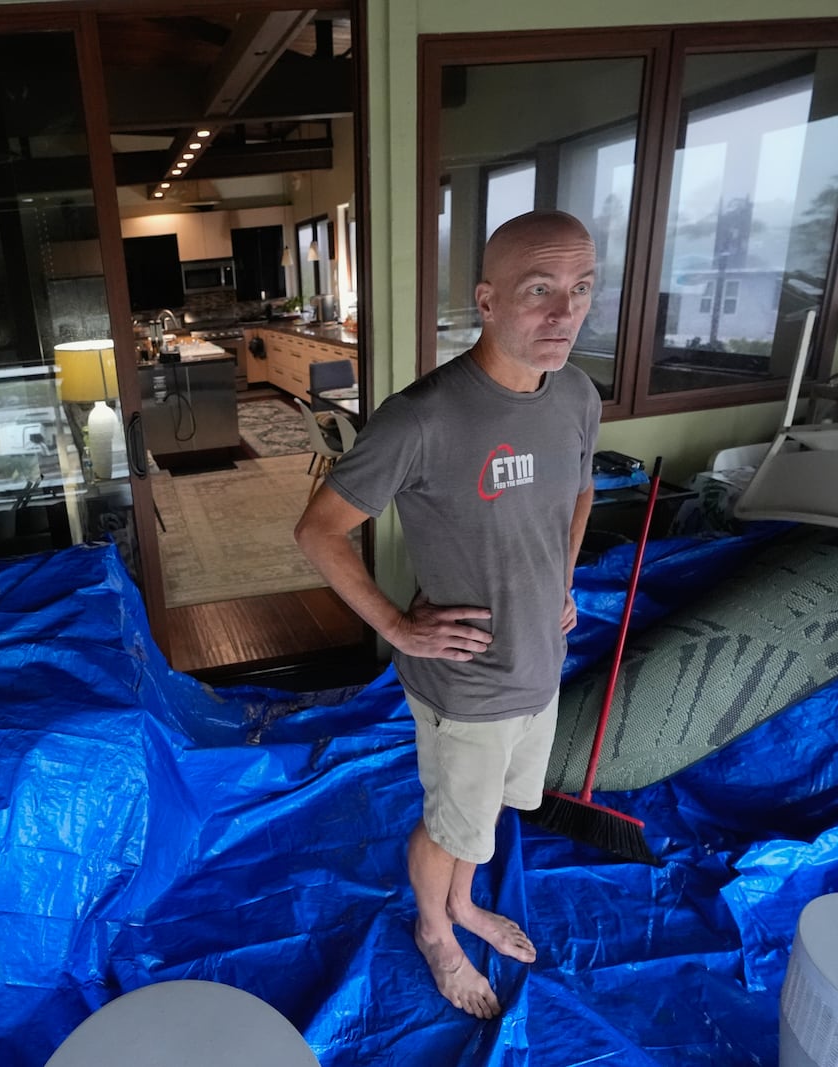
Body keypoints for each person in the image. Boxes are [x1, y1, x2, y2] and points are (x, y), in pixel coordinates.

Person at [293, 210, 601, 1019]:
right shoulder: (423, 417)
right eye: (540, 291)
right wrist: (396, 626)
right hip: (464, 682)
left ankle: (465, 903)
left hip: (540, 663)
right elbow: (318, 530)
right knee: (451, 822)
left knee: (487, 810)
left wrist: (562, 583)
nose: (564, 313)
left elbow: (580, 489)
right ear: (487, 301)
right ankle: (437, 927)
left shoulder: (575, 392)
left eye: (580, 289)